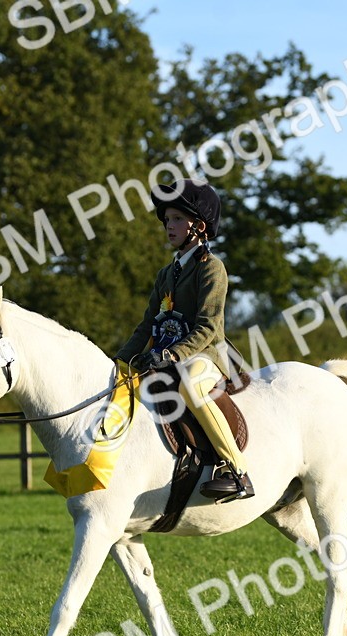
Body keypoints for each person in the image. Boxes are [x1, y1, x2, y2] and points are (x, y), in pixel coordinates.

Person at [114, 180, 254, 502]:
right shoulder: (165, 274)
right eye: (166, 220)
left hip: (207, 356)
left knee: (191, 384)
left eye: (177, 219)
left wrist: (172, 355)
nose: (169, 226)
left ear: (199, 226)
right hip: (169, 354)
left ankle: (237, 471)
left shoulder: (212, 269)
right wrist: (121, 361)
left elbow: (207, 326)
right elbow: (148, 324)